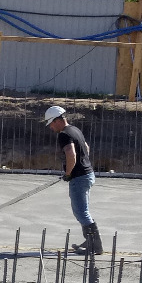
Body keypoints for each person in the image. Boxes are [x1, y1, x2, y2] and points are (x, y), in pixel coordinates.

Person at [43, 105, 101, 255]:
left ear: (57, 120)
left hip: (79, 177)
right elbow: (86, 147)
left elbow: (71, 154)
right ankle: (90, 241)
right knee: (84, 210)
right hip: (88, 174)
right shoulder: (75, 130)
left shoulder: (64, 134)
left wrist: (69, 173)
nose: (50, 128)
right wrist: (84, 163)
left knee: (80, 212)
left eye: (50, 124)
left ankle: (95, 246)